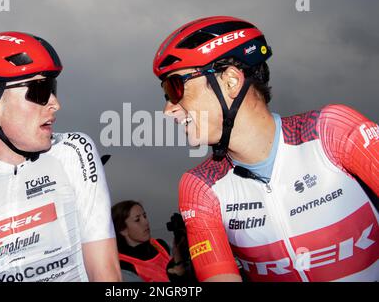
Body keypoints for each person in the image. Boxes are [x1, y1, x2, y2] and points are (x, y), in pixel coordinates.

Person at [152, 16, 378, 282]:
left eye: (175, 87)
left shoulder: (331, 131)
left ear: (231, 81)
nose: (168, 110)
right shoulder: (200, 187)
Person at [0, 31, 121, 282]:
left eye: (52, 89)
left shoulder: (72, 151)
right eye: (39, 91)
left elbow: (105, 273)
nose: (54, 103)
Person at [111, 200, 192, 282]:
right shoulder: (123, 266)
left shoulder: (161, 245)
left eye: (145, 216)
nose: (146, 222)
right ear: (123, 230)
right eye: (137, 220)